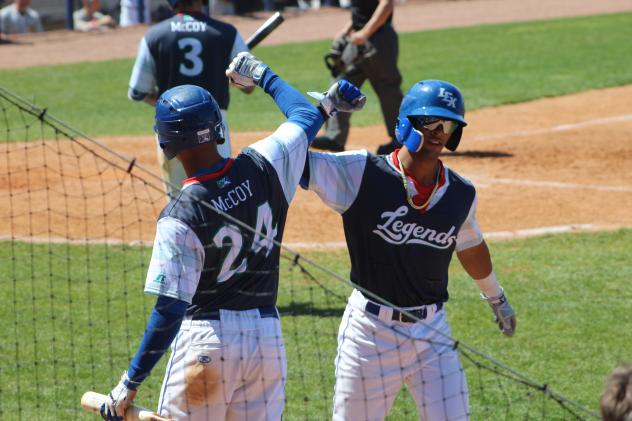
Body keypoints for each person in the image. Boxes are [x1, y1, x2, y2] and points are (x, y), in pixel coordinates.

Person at [99, 53, 365, 421]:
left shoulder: (179, 215)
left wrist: (129, 383)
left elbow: (170, 309)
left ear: (167, 143)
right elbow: (305, 117)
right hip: (266, 343)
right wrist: (261, 74)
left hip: (207, 343)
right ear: (218, 128)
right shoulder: (263, 164)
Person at [301, 79, 517, 421]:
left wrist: (496, 297)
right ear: (405, 123)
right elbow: (289, 156)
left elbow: (471, 244)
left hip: (432, 334)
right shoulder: (361, 172)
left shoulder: (461, 193)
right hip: (368, 336)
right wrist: (324, 109)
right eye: (428, 122)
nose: (437, 132)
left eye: (446, 125)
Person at [128, 0, 253, 200]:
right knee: (219, 196)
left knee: (180, 203)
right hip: (213, 129)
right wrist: (228, 78)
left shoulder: (154, 35)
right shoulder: (226, 33)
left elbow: (138, 92)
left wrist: (170, 107)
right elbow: (248, 86)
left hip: (171, 133)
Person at [311, 0, 404, 155]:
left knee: (388, 88)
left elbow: (386, 4)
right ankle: (335, 138)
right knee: (341, 82)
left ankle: (400, 140)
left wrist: (365, 33)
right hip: (358, 38)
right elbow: (362, 11)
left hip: (378, 38)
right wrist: (346, 30)